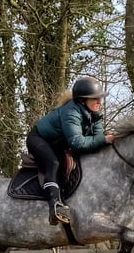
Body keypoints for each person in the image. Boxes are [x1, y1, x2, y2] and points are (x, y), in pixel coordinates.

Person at [26, 76, 115, 225]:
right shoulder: (71, 112)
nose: (99, 102)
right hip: (38, 139)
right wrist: (104, 139)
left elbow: (97, 139)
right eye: (95, 98)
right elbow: (78, 142)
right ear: (82, 100)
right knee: (53, 163)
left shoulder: (95, 116)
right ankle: (55, 205)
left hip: (58, 144)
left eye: (100, 98)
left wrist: (106, 141)